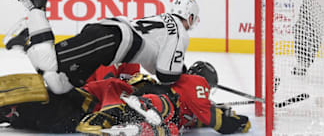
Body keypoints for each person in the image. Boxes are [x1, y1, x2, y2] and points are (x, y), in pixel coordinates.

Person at [8, 0, 199, 94]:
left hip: (110, 44)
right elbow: (166, 75)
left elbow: (153, 63)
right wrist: (184, 75)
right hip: (108, 40)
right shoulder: (180, 32)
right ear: (189, 17)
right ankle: (37, 6)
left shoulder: (162, 20)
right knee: (48, 62)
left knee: (59, 84)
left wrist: (178, 69)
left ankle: (28, 39)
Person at [0, 61, 250, 135]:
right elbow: (213, 118)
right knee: (164, 113)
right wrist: (236, 120)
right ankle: (138, 114)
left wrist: (222, 111)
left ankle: (141, 124)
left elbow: (204, 116)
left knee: (170, 129)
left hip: (89, 104)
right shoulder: (192, 84)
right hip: (110, 99)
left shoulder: (192, 106)